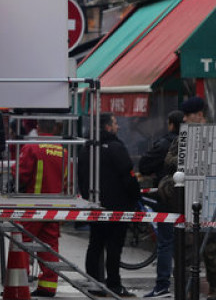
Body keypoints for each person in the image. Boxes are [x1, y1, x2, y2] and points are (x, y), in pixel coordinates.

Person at [159, 96, 216, 299]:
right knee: (186, 250)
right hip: (186, 199)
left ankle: (215, 287)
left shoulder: (215, 134)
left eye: (188, 116)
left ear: (199, 115)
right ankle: (186, 290)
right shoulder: (183, 137)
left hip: (209, 198)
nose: (184, 120)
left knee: (211, 249)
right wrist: (187, 158)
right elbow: (168, 162)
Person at [78, 112, 140, 297]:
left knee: (95, 244)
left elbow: (81, 176)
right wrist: (134, 197)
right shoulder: (115, 147)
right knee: (114, 247)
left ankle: (94, 283)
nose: (118, 126)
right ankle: (114, 285)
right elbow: (128, 176)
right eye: (114, 123)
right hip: (117, 207)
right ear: (107, 127)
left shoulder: (86, 148)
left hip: (94, 205)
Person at [18, 119, 67, 297]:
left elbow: (21, 175)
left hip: (32, 205)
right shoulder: (63, 150)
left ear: (38, 128)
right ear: (54, 128)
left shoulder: (32, 147)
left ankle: (18, 285)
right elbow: (67, 180)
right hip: (55, 205)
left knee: (21, 243)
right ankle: (48, 286)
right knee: (50, 245)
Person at [139, 111, 184, 298]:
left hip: (167, 200)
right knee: (188, 245)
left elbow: (144, 165)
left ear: (171, 124)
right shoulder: (194, 142)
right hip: (190, 202)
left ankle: (163, 286)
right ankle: (186, 286)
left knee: (166, 243)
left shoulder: (165, 144)